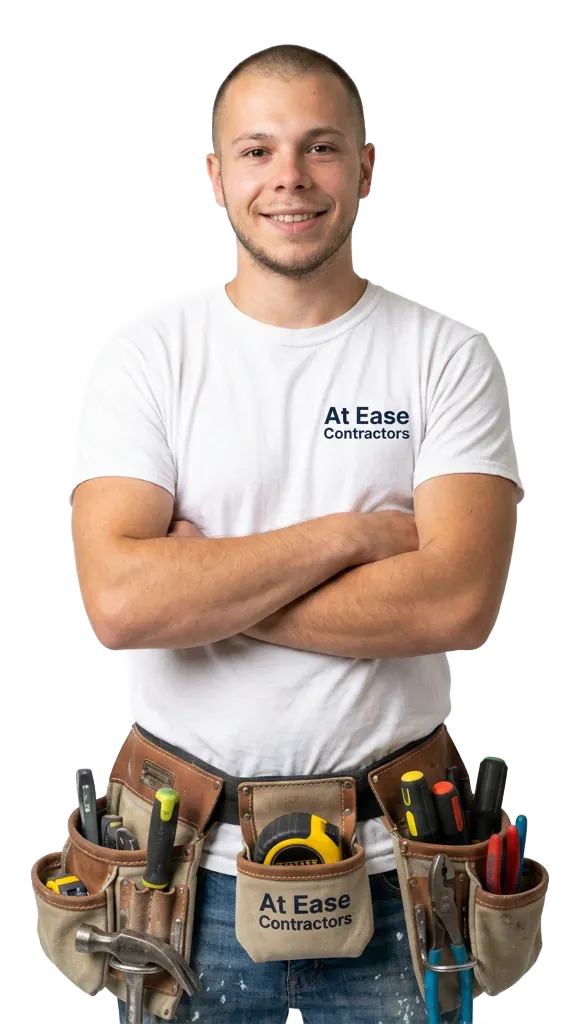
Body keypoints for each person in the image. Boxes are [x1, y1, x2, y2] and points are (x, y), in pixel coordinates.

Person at [65, 42, 524, 1024]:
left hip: (405, 875)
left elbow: (458, 601)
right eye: (259, 149)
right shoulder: (145, 350)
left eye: (320, 148)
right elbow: (122, 600)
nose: (289, 177)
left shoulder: (447, 355)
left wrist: (203, 588)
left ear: (365, 167)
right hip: (179, 878)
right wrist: (353, 536)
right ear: (216, 175)